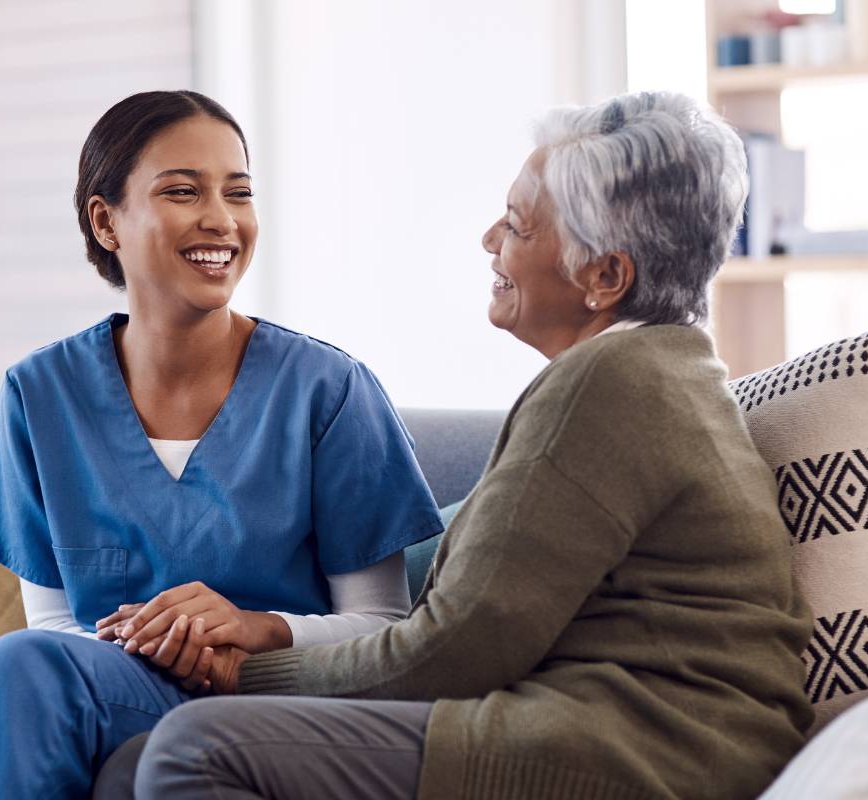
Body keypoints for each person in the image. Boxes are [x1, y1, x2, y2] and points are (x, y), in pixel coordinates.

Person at [130, 91, 815, 800]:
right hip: (631, 731)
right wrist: (263, 624)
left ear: (605, 277)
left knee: (197, 746)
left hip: (644, 745)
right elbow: (471, 582)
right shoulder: (659, 372)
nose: (490, 239)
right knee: (133, 763)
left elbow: (454, 650)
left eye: (517, 225)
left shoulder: (609, 386)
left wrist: (242, 674)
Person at [0, 90, 443, 800]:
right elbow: (57, 628)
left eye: (238, 192)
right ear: (106, 220)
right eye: (183, 191)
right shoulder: (39, 394)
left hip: (258, 702)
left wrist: (254, 628)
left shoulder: (329, 390)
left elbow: (383, 629)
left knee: (32, 666)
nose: (221, 218)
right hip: (88, 684)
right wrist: (145, 640)